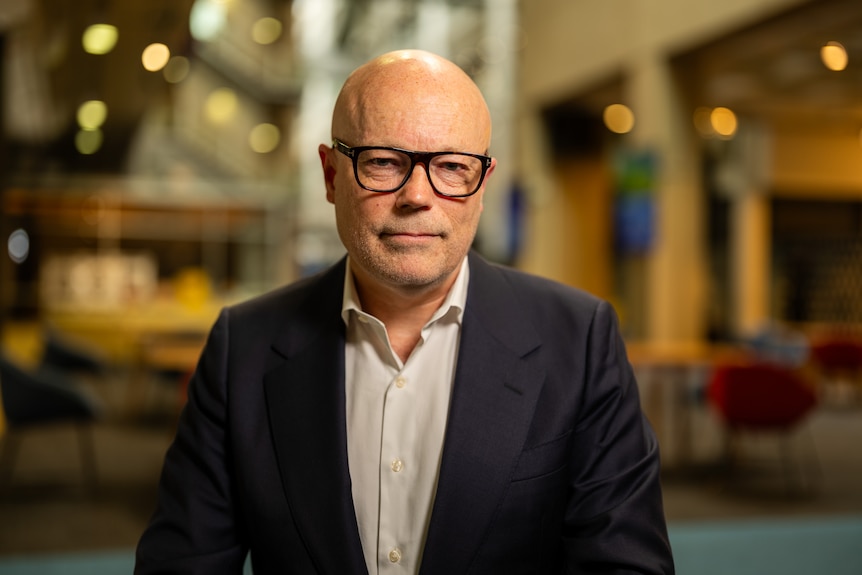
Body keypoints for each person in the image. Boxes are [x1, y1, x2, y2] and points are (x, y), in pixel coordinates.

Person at [135, 49, 674, 575]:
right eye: (384, 162)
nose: (417, 195)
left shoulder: (579, 342)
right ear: (331, 176)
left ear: (482, 186)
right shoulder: (242, 349)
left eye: (453, 167)